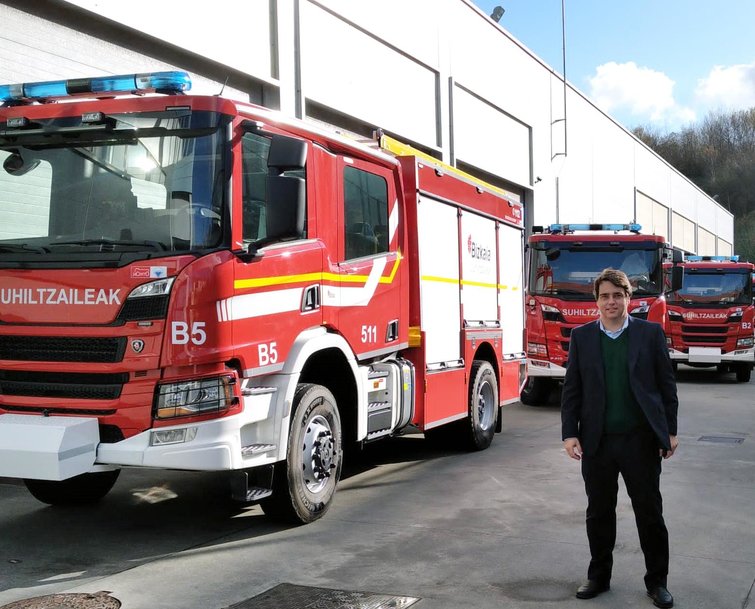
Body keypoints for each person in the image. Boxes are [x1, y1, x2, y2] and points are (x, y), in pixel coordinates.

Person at [561, 268, 679, 608]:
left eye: (617, 295)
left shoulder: (649, 334)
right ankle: (599, 576)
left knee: (649, 513)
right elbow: (573, 391)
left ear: (628, 298)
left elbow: (666, 386)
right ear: (596, 301)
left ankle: (657, 582)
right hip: (597, 442)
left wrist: (669, 431)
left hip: (640, 441)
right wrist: (570, 433)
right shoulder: (582, 337)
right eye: (604, 296)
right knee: (599, 513)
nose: (611, 302)